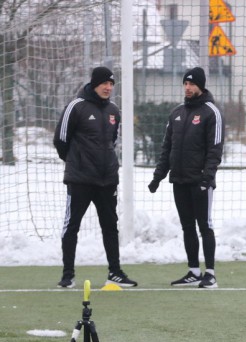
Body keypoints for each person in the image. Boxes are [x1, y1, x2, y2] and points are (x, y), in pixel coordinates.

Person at [53, 66, 137, 289]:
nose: (108, 87)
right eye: (104, 83)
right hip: (80, 179)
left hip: (107, 179)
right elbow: (60, 140)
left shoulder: (113, 110)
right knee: (72, 226)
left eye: (111, 84)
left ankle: (115, 272)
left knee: (110, 226)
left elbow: (112, 142)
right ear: (94, 84)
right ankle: (68, 274)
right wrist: (75, 162)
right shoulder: (76, 106)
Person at [148, 67, 225, 289]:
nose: (188, 88)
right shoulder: (177, 113)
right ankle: (193, 271)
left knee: (205, 225)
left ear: (200, 86)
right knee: (187, 226)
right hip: (179, 180)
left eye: (192, 84)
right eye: (185, 84)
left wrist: (207, 178)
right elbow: (167, 148)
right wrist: (158, 177)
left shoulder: (212, 113)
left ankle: (210, 273)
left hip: (200, 181)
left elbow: (215, 150)